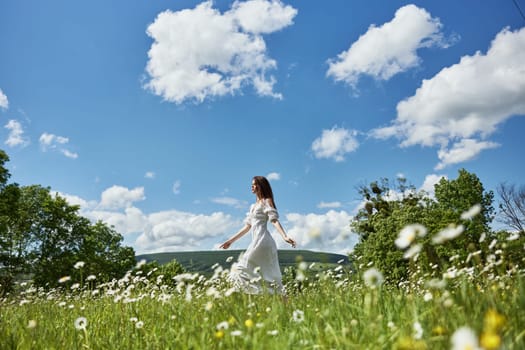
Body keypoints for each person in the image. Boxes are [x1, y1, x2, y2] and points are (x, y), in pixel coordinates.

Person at [219, 176, 296, 294]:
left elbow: (274, 220)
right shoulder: (253, 206)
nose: (252, 186)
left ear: (261, 186)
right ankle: (278, 301)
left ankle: (256, 299)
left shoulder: (266, 201)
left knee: (241, 269)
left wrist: (285, 236)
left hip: (263, 242)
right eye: (252, 184)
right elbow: (247, 227)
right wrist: (230, 241)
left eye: (255, 184)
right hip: (256, 242)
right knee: (265, 275)